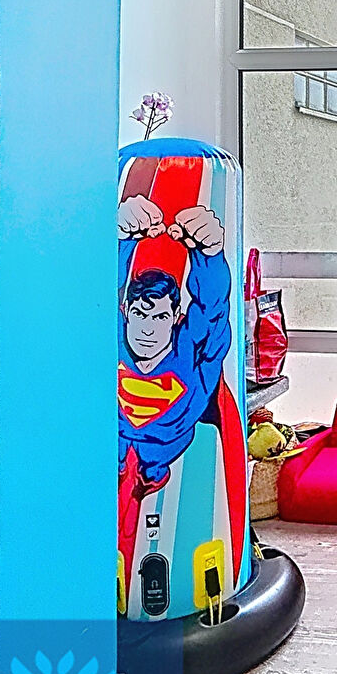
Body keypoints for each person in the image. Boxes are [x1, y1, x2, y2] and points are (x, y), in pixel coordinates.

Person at [117, 194, 232, 606]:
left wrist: (209, 255)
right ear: (126, 312)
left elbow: (213, 314)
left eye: (160, 317)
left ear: (176, 317)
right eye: (140, 315)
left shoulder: (190, 360)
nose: (148, 329)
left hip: (163, 475)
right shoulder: (109, 347)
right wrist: (121, 240)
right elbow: (94, 298)